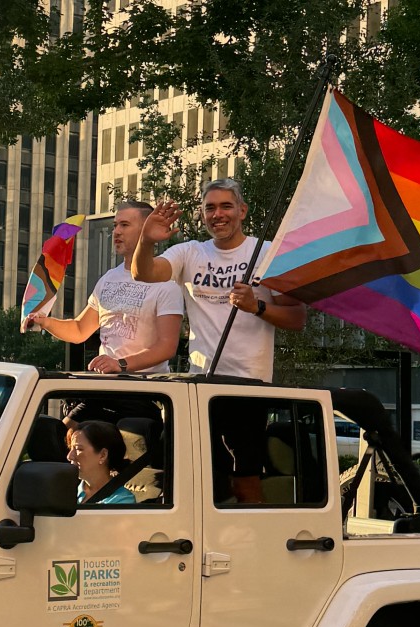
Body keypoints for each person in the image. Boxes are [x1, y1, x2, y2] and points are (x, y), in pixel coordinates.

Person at [129, 179, 307, 502]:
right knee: (195, 484)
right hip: (200, 388)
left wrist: (258, 307)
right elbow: (143, 273)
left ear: (242, 211)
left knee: (245, 483)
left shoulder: (265, 253)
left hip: (248, 389)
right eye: (210, 207)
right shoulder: (190, 252)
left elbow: (298, 317)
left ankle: (255, 549)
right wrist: (146, 240)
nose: (218, 214)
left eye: (226, 206)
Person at [26, 200, 183, 375]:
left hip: (145, 390)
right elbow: (79, 330)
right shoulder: (108, 278)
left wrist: (120, 364)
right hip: (106, 384)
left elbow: (167, 347)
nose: (116, 231)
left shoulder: (167, 284)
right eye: (115, 225)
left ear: (147, 229)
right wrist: (45, 321)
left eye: (125, 225)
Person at [67, 419, 137, 505]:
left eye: (78, 449)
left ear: (103, 455)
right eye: (70, 448)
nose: (69, 456)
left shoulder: (122, 502)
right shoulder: (65, 493)